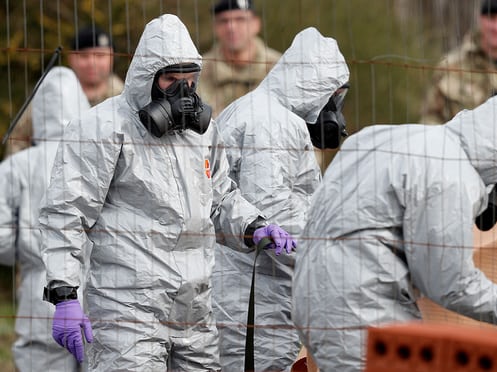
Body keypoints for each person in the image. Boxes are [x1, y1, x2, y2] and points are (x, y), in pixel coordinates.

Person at [38, 14, 295, 371]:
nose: (183, 92)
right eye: (171, 79)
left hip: (195, 309)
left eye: (189, 80)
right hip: (126, 311)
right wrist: (64, 293)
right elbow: (67, 211)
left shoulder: (201, 134)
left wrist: (254, 226)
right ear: (147, 78)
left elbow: (218, 196)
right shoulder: (103, 128)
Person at [292, 93, 497, 371]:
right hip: (361, 314)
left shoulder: (387, 136)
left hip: (310, 297)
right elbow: (449, 282)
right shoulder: (451, 176)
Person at [212, 26, 349, 371]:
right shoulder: (273, 123)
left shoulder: (259, 110)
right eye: (335, 96)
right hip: (256, 294)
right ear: (316, 85)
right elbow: (274, 214)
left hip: (245, 288)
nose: (335, 109)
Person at [0, 66, 90, 372]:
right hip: (97, 287)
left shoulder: (17, 165)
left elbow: (1, 239)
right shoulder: (97, 158)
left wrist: (26, 256)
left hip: (40, 288)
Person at [3, 26, 124, 158]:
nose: (92, 62)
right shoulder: (52, 94)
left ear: (112, 57)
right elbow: (17, 141)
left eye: (100, 56)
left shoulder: (125, 98)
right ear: (71, 59)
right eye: (84, 56)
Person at [197, 0, 282, 118]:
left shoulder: (279, 67)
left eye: (240, 19)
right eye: (223, 21)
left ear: (256, 24)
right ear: (215, 27)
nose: (231, 27)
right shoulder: (198, 71)